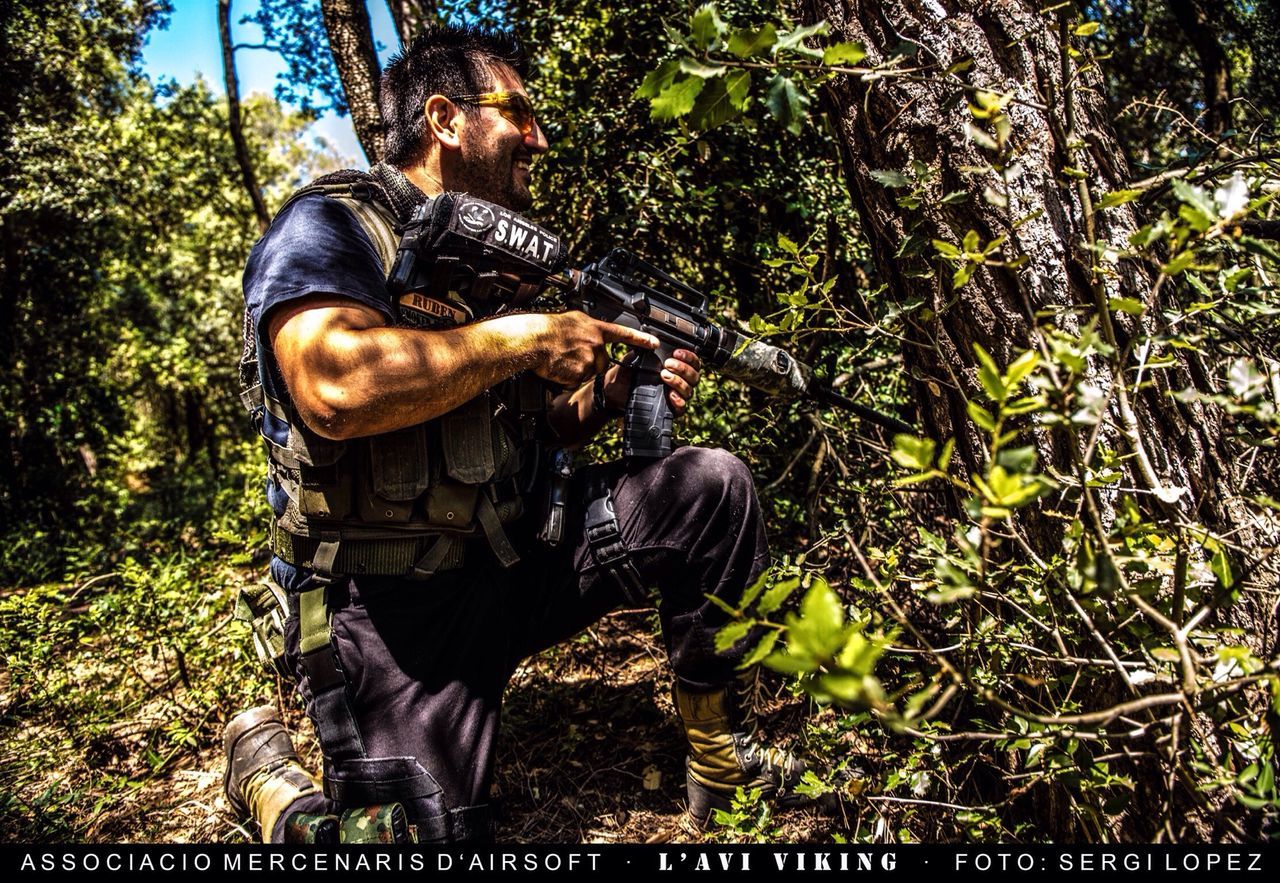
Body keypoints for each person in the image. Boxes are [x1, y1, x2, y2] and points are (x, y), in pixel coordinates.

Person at [224, 22, 833, 844]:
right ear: (445, 118)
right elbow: (333, 386)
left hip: (511, 557)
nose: (539, 138)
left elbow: (522, 429)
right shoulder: (334, 226)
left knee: (710, 486)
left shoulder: (496, 260)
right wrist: (528, 338)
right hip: (389, 611)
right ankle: (268, 775)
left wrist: (606, 396)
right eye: (519, 112)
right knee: (396, 842)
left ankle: (724, 767)